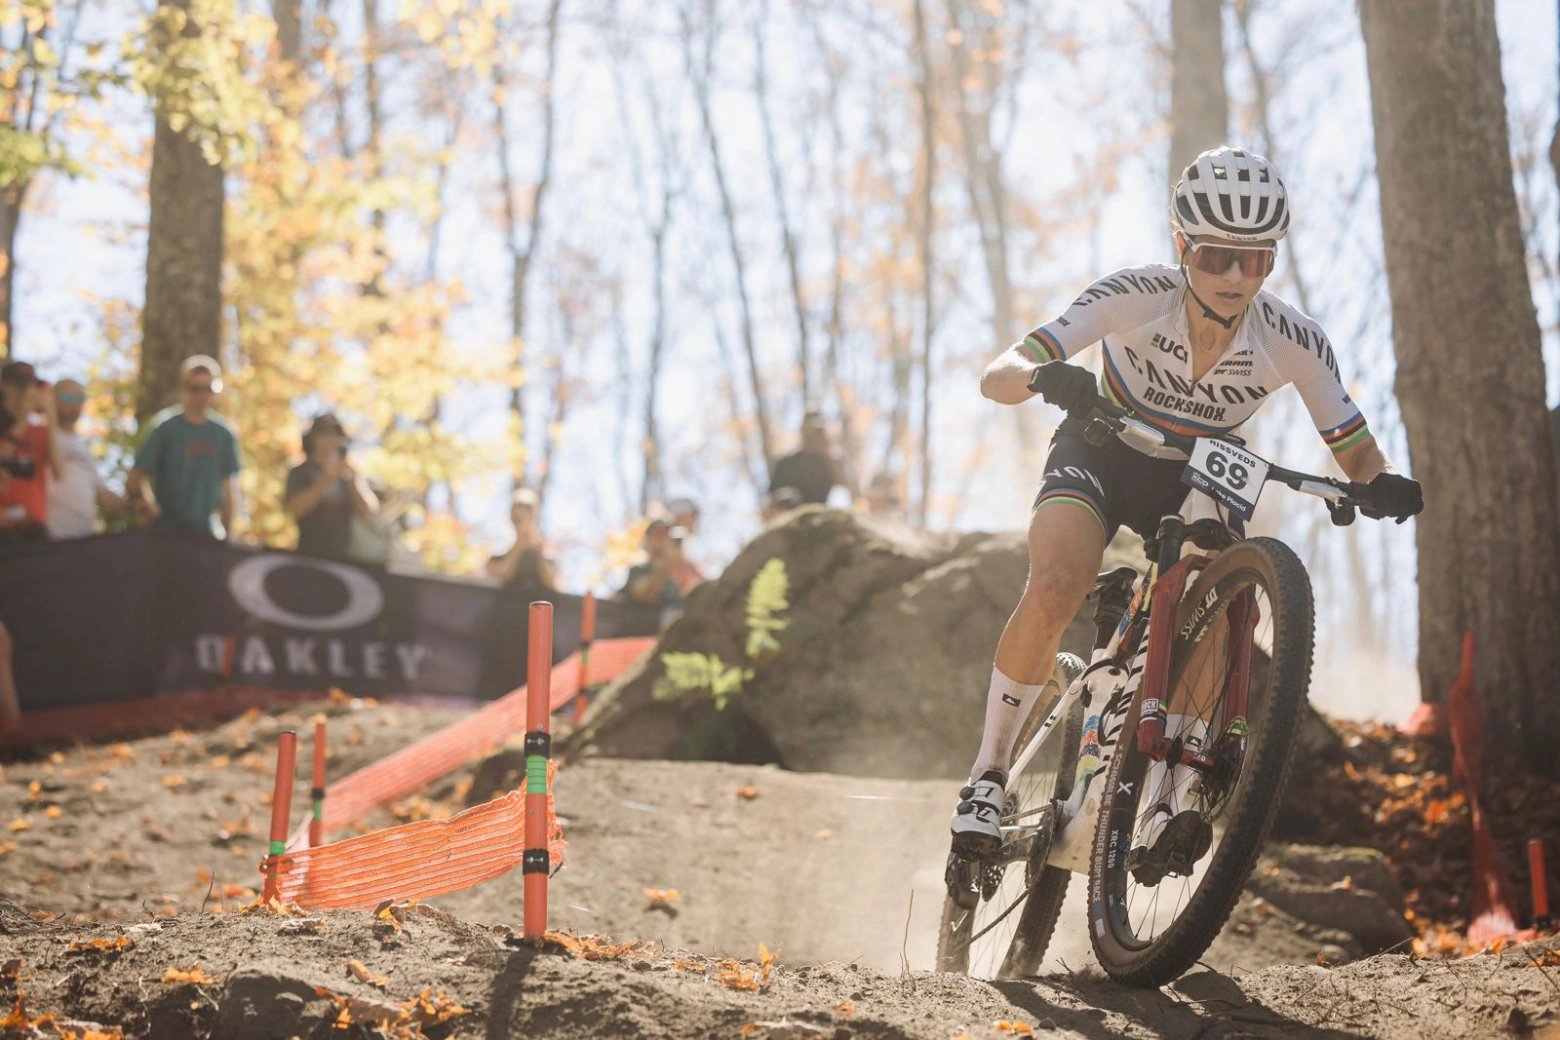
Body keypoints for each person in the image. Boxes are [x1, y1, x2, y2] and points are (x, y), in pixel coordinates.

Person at [949, 147, 1424, 857]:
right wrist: (1046, 377)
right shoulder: (1135, 294)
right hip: (1102, 447)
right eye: (1215, 256)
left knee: (1222, 600)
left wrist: (1380, 478)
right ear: (1182, 247)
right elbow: (1000, 374)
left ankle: (1169, 799)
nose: (1235, 277)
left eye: (1255, 260)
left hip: (1202, 471)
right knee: (1058, 582)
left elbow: (1355, 450)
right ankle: (987, 775)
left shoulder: (1292, 339)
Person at [126, 355, 243, 539]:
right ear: (184, 388)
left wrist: (228, 536)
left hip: (207, 536)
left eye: (209, 388)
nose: (202, 395)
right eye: (195, 388)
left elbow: (229, 488)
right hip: (165, 534)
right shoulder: (164, 428)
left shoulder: (224, 434)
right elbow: (135, 478)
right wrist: (148, 506)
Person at [285, 412, 379, 560]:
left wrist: (354, 481)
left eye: (336, 434)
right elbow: (294, 510)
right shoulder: (300, 471)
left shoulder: (346, 475)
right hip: (308, 555)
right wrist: (326, 479)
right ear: (312, 438)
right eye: (324, 433)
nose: (331, 439)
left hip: (345, 558)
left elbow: (369, 514)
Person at [46, 378, 125, 539]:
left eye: (80, 398)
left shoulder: (83, 448)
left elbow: (102, 494)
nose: (74, 404)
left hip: (82, 538)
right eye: (67, 397)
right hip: (48, 535)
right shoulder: (41, 436)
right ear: (53, 400)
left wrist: (131, 506)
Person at [0, 361, 61, 544]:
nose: (26, 393)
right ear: (5, 387)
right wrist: (22, 420)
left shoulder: (39, 431)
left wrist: (50, 414)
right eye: (20, 387)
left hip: (34, 528)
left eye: (31, 387)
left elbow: (59, 471)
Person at [764, 410, 852, 518]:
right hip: (793, 519)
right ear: (802, 430)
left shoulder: (832, 460)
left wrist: (826, 452)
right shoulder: (787, 463)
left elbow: (847, 487)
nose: (812, 436)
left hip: (823, 518)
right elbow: (772, 499)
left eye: (817, 431)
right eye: (809, 430)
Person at [619, 515, 703, 622]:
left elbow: (701, 596)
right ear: (648, 541)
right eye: (658, 536)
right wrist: (664, 566)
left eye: (667, 537)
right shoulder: (638, 570)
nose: (663, 541)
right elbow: (645, 594)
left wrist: (683, 565)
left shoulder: (684, 568)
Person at [486, 487, 557, 589]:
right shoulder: (498, 553)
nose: (523, 525)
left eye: (528, 518)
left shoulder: (548, 555)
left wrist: (540, 552)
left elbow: (552, 583)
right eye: (518, 519)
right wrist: (518, 549)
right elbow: (502, 576)